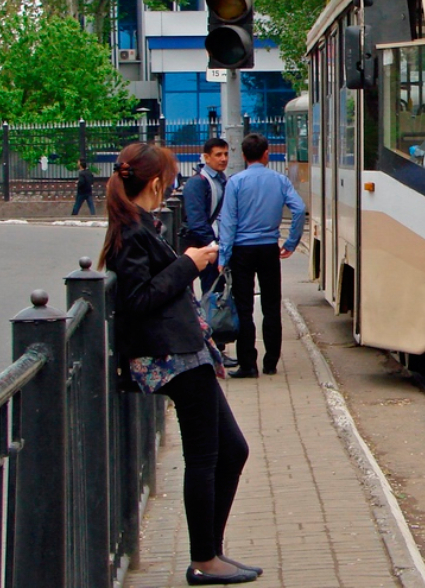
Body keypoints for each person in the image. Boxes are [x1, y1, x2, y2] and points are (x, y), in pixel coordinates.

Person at [99, 142, 259, 586]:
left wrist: (188, 263)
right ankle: (204, 559)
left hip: (184, 353)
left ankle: (210, 552)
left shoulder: (136, 226)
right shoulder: (130, 232)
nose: (170, 188)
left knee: (231, 450)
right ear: (154, 184)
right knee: (206, 456)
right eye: (167, 182)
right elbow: (139, 299)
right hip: (172, 357)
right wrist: (189, 263)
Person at [218, 133, 306, 378]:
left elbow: (228, 222)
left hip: (241, 251)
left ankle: (248, 364)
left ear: (244, 156)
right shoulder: (279, 180)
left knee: (244, 308)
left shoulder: (235, 183)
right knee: (271, 306)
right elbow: (298, 209)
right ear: (266, 153)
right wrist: (291, 242)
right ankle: (271, 362)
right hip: (269, 249)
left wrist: (223, 257)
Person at [182, 138, 237, 369]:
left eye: (225, 154)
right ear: (206, 157)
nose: (223, 158)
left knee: (213, 297)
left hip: (212, 248)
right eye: (217, 154)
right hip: (203, 250)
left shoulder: (221, 180)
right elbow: (196, 221)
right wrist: (213, 247)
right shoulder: (199, 183)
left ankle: (214, 349)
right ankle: (211, 352)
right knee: (210, 299)